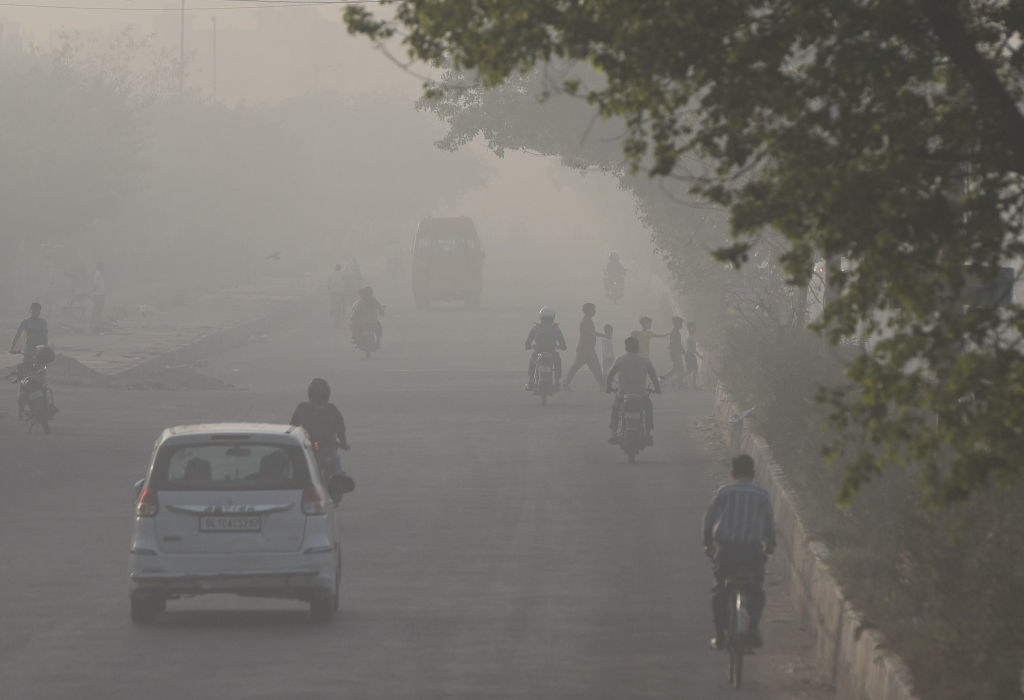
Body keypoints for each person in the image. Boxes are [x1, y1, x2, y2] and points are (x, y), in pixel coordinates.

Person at [702, 454, 776, 650]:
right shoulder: (762, 495)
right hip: (752, 553)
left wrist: (707, 544)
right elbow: (769, 525)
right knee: (757, 591)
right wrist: (770, 545)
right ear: (753, 473)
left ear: (733, 473)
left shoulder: (724, 492)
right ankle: (752, 628)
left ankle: (719, 635)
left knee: (719, 590)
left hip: (726, 552)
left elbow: (709, 521)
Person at [289, 378, 350, 479]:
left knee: (299, 466)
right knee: (335, 463)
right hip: (327, 445)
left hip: (310, 444)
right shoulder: (331, 409)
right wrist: (343, 442)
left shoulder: (302, 407)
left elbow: (293, 426)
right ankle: (339, 481)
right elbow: (340, 427)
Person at [605, 335, 660, 444]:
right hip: (641, 393)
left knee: (616, 409)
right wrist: (657, 388)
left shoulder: (620, 360)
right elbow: (653, 376)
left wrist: (608, 387)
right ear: (638, 347)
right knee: (648, 408)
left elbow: (610, 375)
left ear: (626, 348)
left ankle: (613, 433)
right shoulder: (645, 360)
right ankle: (648, 433)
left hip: (623, 393)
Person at [563, 302, 605, 390]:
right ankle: (603, 386)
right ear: (588, 311)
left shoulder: (588, 320)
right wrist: (604, 335)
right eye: (593, 309)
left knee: (583, 367)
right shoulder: (586, 321)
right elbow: (591, 333)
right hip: (585, 349)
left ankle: (566, 384)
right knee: (594, 368)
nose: (594, 311)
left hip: (587, 349)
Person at [525, 306, 567, 390]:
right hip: (551, 352)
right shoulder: (556, 328)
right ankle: (557, 381)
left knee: (532, 361)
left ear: (541, 317)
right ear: (553, 317)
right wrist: (562, 347)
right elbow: (562, 343)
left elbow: (528, 342)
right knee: (558, 362)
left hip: (538, 352)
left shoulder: (536, 327)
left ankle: (531, 380)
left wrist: (529, 346)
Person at [659, 316, 686, 388]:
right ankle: (679, 384)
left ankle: (662, 380)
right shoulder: (674, 332)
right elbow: (675, 344)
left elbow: (678, 344)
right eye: (680, 323)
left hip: (676, 353)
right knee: (680, 369)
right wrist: (681, 351)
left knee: (676, 369)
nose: (681, 325)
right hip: (675, 353)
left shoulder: (676, 332)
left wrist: (682, 351)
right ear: (676, 323)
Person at [328, 264, 347, 328]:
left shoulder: (332, 273)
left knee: (332, 301)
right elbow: (345, 281)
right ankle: (344, 311)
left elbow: (329, 282)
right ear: (340, 268)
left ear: (335, 268)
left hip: (333, 291)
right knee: (343, 301)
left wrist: (329, 288)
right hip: (341, 291)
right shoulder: (342, 274)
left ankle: (332, 309)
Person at [685, 321, 703, 389]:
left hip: (689, 354)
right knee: (694, 369)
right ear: (690, 328)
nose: (695, 328)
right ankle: (694, 385)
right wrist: (700, 356)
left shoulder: (691, 337)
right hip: (690, 355)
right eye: (693, 327)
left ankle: (677, 380)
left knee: (690, 370)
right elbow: (693, 349)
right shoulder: (690, 338)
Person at [91, 263, 106, 330]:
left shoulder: (99, 274)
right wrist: (94, 291)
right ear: (99, 267)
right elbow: (95, 284)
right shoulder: (97, 274)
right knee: (98, 307)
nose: (103, 267)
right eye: (102, 266)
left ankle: (97, 320)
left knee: (99, 307)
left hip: (100, 293)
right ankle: (96, 320)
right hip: (98, 294)